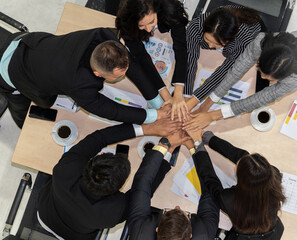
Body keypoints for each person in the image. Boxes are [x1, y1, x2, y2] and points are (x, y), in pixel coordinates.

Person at [37, 119, 180, 239]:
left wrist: (148, 128)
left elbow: (100, 138)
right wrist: (168, 152)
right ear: (117, 189)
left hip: (44, 212)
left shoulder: (65, 169)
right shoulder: (113, 211)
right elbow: (143, 189)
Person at [0, 28, 170, 128]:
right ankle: (22, 126)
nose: (126, 73)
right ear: (97, 74)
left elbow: (128, 62)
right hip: (13, 72)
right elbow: (112, 110)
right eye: (120, 75)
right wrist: (154, 116)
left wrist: (156, 101)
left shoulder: (103, 37)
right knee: (23, 108)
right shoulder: (78, 85)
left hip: (28, 43)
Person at [184, 26, 297, 131]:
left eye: (268, 78)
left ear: (285, 77)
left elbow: (265, 97)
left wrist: (213, 115)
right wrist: (207, 103)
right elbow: (235, 70)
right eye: (260, 70)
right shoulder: (261, 41)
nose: (261, 76)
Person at [186, 129, 286, 239]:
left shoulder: (229, 199)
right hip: (272, 230)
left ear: (243, 180)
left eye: (238, 167)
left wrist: (198, 146)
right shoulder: (272, 174)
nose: (237, 162)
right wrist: (210, 139)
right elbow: (244, 157)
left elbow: (210, 179)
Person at [172, 6, 264, 122]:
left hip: (252, 27)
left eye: (217, 43)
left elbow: (224, 71)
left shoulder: (244, 39)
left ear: (229, 39)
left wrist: (196, 100)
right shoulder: (196, 26)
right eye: (207, 39)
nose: (210, 46)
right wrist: (186, 96)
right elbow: (190, 59)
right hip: (226, 18)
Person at [127, 134, 220, 239]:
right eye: (185, 214)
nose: (177, 207)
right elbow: (211, 190)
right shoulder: (204, 234)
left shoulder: (140, 232)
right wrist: (195, 148)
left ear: (157, 229)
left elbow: (142, 184)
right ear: (190, 236)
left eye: (169, 211)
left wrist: (164, 145)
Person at [116, 0, 189, 110]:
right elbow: (141, 56)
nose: (149, 29)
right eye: (141, 25)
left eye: (152, 22)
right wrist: (166, 95)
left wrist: (178, 92)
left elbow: (181, 48)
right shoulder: (126, 21)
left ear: (157, 9)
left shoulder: (171, 9)